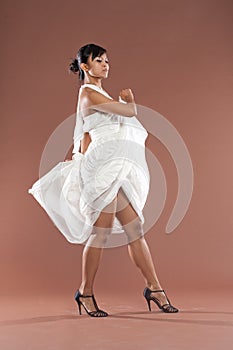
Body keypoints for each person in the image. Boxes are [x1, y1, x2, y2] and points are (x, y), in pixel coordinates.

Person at [28, 43, 179, 317]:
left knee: (133, 230)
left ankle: (153, 288)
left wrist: (85, 157)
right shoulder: (87, 93)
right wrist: (129, 100)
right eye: (99, 60)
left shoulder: (97, 93)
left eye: (107, 60)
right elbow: (129, 113)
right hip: (103, 170)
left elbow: (85, 135)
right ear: (85, 66)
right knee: (101, 234)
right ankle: (86, 293)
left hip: (109, 168)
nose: (105, 64)